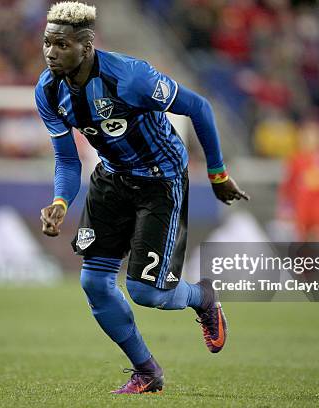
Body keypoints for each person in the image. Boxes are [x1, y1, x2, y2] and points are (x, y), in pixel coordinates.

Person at [36, 1, 249, 394]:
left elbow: (199, 107)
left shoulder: (131, 77)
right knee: (95, 284)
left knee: (146, 292)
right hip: (112, 178)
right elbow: (67, 160)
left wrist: (218, 174)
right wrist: (61, 202)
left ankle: (202, 297)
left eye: (61, 45)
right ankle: (147, 371)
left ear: (86, 46)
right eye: (47, 43)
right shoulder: (48, 91)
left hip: (160, 181)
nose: (51, 53)